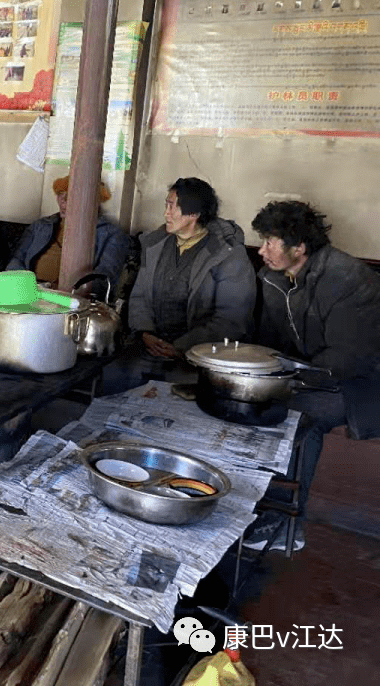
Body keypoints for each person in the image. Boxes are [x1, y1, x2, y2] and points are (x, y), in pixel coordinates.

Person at [243, 201, 380, 551]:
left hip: (358, 384)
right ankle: (252, 504)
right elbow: (269, 340)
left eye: (271, 242)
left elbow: (346, 359)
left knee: (297, 417)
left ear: (299, 248)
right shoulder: (273, 277)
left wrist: (289, 382)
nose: (262, 250)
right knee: (249, 397)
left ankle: (288, 524)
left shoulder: (349, 280)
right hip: (309, 373)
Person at [102, 178, 255, 394]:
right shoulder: (156, 245)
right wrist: (145, 332)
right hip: (151, 346)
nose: (166, 213)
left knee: (178, 393)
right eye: (167, 205)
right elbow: (140, 296)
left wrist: (181, 347)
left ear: (193, 214)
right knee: (112, 377)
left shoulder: (228, 255)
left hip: (199, 355)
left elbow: (231, 320)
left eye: (172, 206)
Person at [5, 175, 131, 290]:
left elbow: (105, 277)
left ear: (92, 203)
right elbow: (16, 260)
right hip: (31, 292)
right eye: (60, 194)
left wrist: (69, 292)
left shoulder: (111, 234)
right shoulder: (40, 226)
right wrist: (26, 286)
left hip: (72, 299)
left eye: (72, 196)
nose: (63, 201)